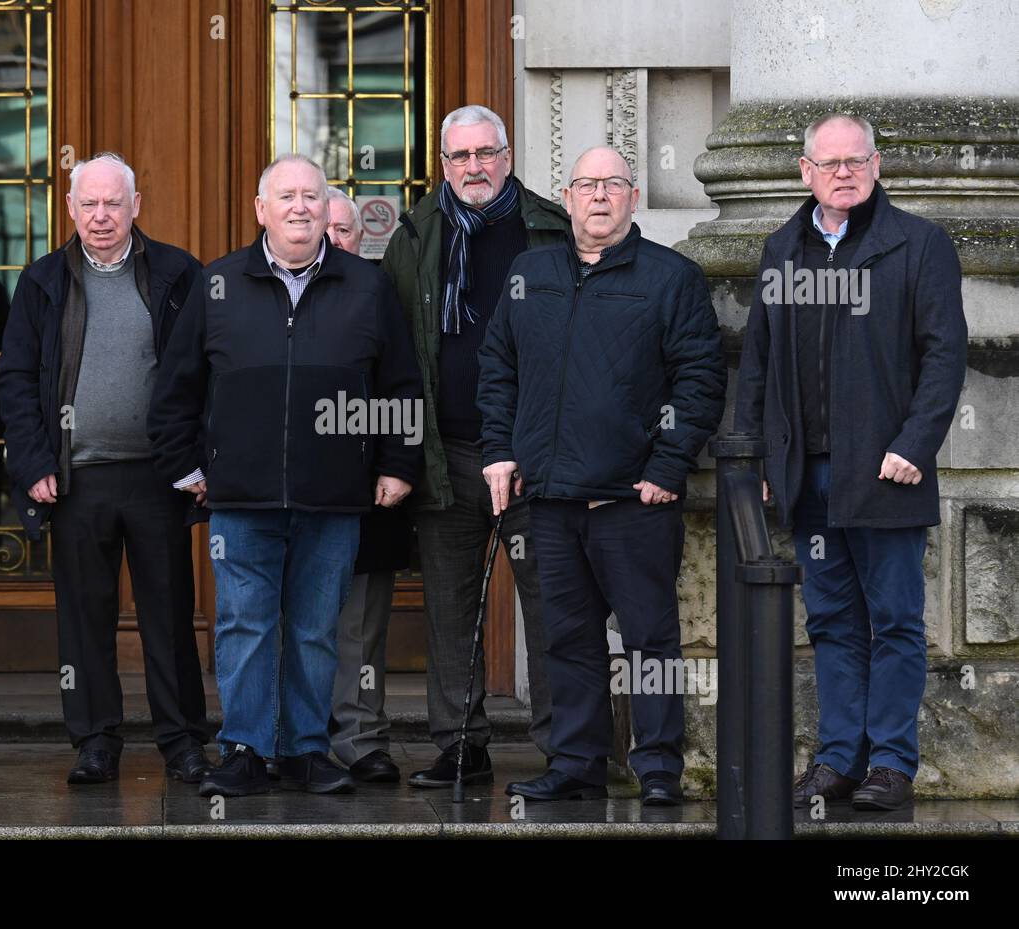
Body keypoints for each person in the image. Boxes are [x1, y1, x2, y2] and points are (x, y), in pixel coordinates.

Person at [147, 154, 423, 797]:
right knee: (244, 625)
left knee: (314, 627)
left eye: (312, 196)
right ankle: (244, 748)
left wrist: (398, 463)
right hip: (239, 497)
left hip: (335, 495)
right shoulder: (217, 285)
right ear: (261, 210)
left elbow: (401, 383)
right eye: (286, 196)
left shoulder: (367, 285)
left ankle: (304, 750)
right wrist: (185, 466)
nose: (300, 207)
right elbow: (175, 391)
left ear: (329, 210)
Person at [477, 146, 726, 804]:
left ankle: (660, 769)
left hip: (632, 500)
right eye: (587, 184)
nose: (599, 196)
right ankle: (577, 763)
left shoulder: (670, 278)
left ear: (632, 197)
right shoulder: (529, 272)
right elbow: (497, 366)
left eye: (612, 185)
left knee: (649, 640)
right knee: (568, 639)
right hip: (550, 498)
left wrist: (668, 465)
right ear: (567, 195)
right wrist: (499, 450)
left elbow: (700, 381)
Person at [735, 114, 967, 811]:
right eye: (829, 162)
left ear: (877, 165)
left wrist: (913, 445)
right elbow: (760, 360)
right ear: (804, 171)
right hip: (807, 475)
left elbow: (944, 356)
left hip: (885, 469)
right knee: (831, 621)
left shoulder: (918, 245)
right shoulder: (783, 249)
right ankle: (839, 758)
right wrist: (759, 453)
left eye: (856, 160)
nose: (844, 172)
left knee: (894, 619)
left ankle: (891, 765)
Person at [0, 152, 212, 785]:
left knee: (169, 616)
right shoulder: (41, 281)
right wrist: (35, 462)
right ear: (69, 208)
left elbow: (208, 371)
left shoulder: (178, 274)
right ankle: (95, 741)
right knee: (84, 617)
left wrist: (198, 459)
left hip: (158, 476)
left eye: (112, 203)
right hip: (75, 479)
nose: (99, 216)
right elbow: (14, 381)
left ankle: (182, 742)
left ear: (135, 206)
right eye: (87, 203)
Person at [380, 104, 571, 788]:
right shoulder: (416, 232)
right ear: (443, 165)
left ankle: (567, 747)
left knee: (553, 602)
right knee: (450, 607)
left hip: (536, 453)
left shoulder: (552, 228)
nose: (473, 167)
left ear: (508, 156)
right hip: (449, 450)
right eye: (459, 157)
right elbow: (396, 347)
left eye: (485, 153)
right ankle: (461, 744)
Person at [325, 186, 412, 783]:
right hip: (277, 495)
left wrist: (398, 464)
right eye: (322, 227)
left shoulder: (379, 291)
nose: (332, 240)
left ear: (361, 238)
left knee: (360, 628)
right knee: (278, 623)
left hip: (366, 492)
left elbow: (404, 384)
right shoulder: (254, 288)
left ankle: (360, 738)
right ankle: (284, 739)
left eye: (343, 230)